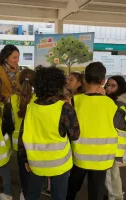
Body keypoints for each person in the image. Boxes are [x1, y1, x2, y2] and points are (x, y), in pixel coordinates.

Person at [66, 62, 126, 200]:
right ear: (103, 81)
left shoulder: (75, 101)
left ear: (84, 80)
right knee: (96, 194)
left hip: (78, 157)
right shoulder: (112, 104)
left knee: (71, 190)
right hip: (102, 159)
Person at [19, 66, 80, 200]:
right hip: (60, 165)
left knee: (32, 195)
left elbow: (22, 137)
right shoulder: (65, 108)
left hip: (35, 163)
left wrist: (25, 160)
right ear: (59, 85)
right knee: (58, 196)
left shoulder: (30, 107)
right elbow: (75, 135)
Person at [10, 68, 36, 199]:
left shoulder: (13, 98)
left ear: (19, 81)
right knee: (34, 169)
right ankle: (32, 192)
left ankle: (24, 193)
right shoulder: (38, 100)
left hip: (18, 143)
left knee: (22, 169)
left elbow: (11, 121)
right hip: (34, 142)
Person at [105, 75, 126, 200]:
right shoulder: (115, 100)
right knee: (112, 173)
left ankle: (116, 197)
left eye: (113, 86)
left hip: (116, 143)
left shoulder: (120, 101)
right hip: (114, 142)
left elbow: (115, 122)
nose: (109, 88)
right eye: (108, 85)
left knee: (111, 173)